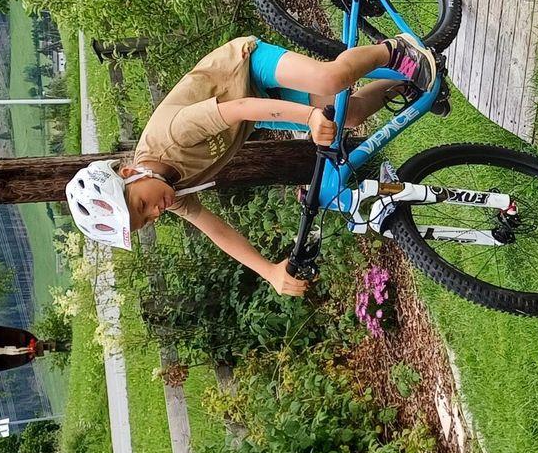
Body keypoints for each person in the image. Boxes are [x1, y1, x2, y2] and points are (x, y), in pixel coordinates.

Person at [66, 34, 438, 297]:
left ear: (129, 174)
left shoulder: (171, 137)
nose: (154, 212)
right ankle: (409, 83)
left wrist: (310, 117)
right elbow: (215, 229)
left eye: (141, 205)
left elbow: (239, 108)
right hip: (256, 108)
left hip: (246, 69)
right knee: (349, 115)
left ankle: (394, 49)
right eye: (145, 220)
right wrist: (270, 272)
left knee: (331, 78)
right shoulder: (169, 192)